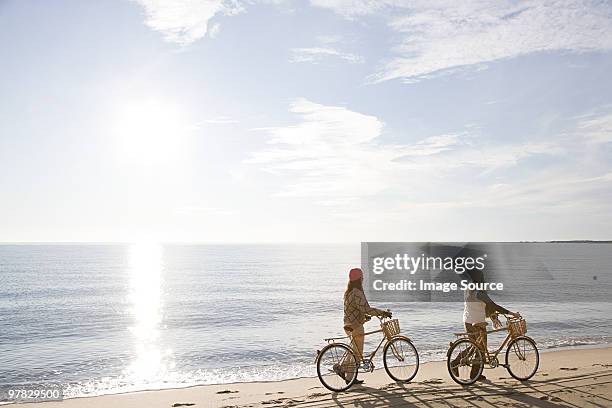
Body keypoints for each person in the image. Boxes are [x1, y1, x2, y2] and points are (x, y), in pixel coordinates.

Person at [452, 269, 520, 381]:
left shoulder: (468, 289)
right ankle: (470, 371)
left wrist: (493, 316)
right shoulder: (480, 293)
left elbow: (482, 306)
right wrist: (512, 313)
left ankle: (470, 370)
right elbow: (494, 306)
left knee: (475, 347)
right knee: (480, 349)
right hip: (478, 322)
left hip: (467, 320)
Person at [336, 267, 391, 384]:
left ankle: (342, 369)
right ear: (359, 279)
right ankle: (350, 378)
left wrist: (364, 317)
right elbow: (366, 309)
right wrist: (382, 312)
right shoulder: (357, 292)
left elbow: (353, 310)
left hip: (347, 324)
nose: (363, 279)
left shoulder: (348, 292)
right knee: (357, 353)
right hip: (356, 326)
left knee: (353, 350)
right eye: (362, 277)